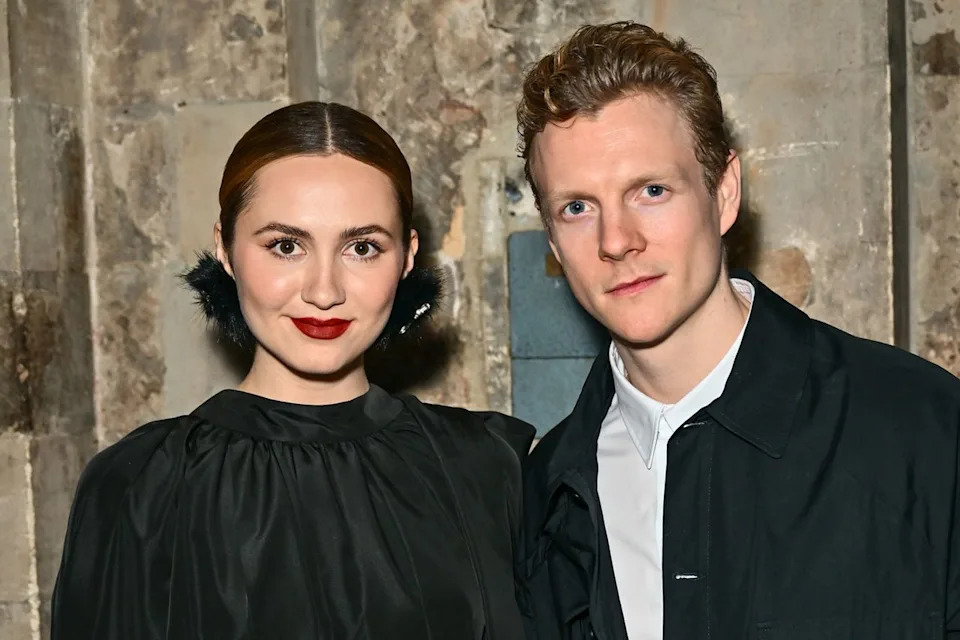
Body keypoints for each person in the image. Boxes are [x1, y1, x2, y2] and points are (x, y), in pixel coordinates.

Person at [514, 21, 960, 640]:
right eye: (578, 207)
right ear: (554, 241)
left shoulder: (926, 430)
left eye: (651, 190)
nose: (616, 241)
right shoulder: (544, 493)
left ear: (723, 193)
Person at [52, 101, 534, 639]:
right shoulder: (140, 486)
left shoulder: (487, 468)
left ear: (407, 258)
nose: (323, 292)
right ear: (226, 250)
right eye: (285, 246)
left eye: (362, 247)